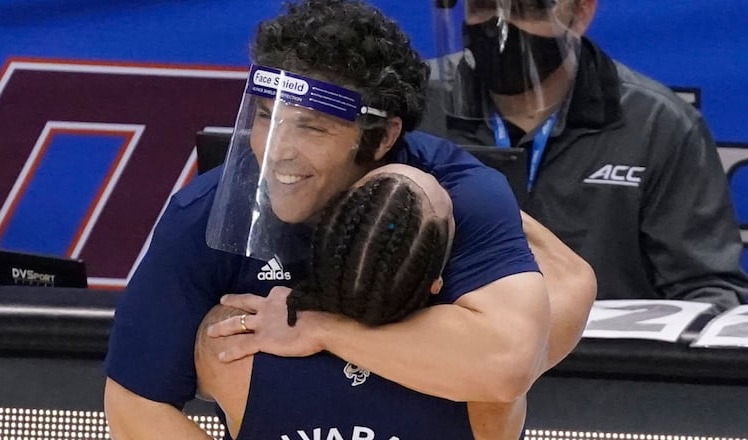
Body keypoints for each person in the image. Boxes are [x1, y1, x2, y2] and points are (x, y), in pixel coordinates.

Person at [103, 1, 595, 438]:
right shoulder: (201, 214)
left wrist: (324, 330)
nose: (277, 152)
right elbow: (133, 405)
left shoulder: (457, 196)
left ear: (381, 138)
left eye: (311, 128)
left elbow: (505, 364)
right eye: (265, 117)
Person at [195, 164, 594, 439]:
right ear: (438, 279)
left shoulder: (233, 345)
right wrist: (475, 197)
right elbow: (571, 278)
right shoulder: (486, 391)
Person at [420, 0, 747, 312]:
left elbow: (707, 289)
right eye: (482, 6)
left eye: (528, 8)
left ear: (581, 12)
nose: (499, 26)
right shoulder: (415, 106)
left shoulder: (656, 123)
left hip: (601, 362)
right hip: (449, 355)